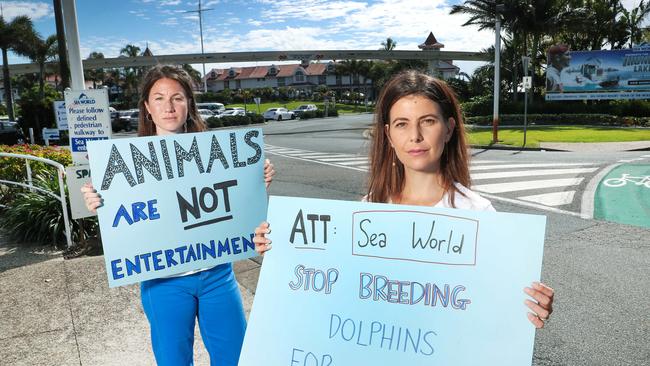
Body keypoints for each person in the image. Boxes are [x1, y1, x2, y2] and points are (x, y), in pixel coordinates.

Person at [254, 70, 554, 329]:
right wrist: (281, 254)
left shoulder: (478, 213)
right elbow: (334, 287)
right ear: (388, 135)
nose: (415, 136)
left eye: (427, 121)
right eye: (401, 124)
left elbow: (496, 306)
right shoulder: (369, 208)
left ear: (449, 129)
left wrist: (528, 308)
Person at [81, 64, 275, 365]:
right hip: (163, 282)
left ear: (189, 104)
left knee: (236, 357)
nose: (168, 106)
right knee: (173, 360)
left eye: (177, 97)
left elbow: (243, 213)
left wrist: (255, 182)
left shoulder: (221, 153)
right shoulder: (124, 166)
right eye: (159, 98)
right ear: (147, 107)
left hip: (217, 274)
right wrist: (99, 203)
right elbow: (128, 222)